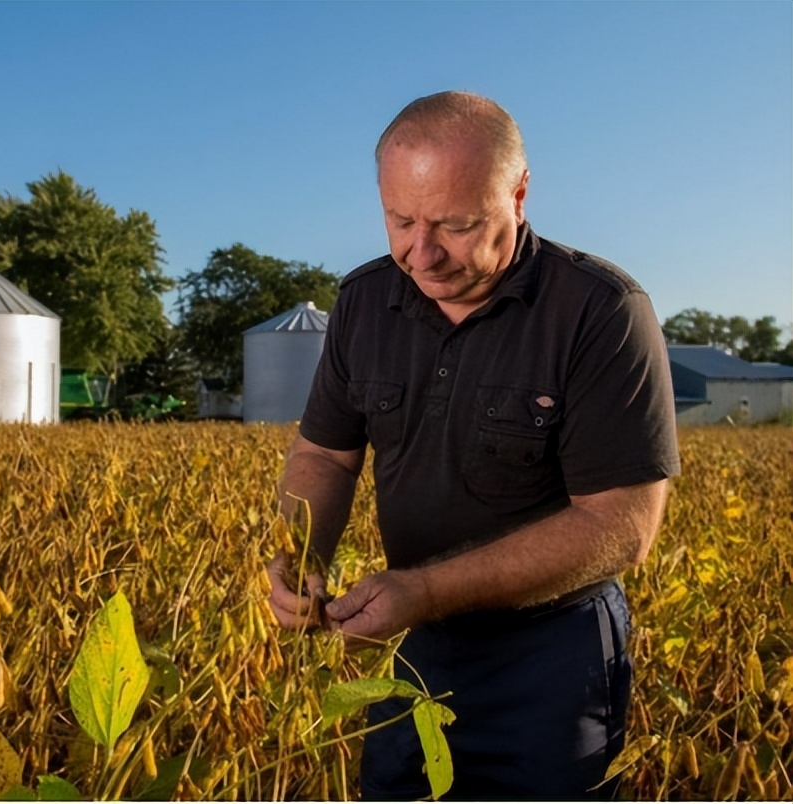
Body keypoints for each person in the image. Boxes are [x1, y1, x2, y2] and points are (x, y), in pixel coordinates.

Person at [266, 90, 680, 800]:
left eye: (455, 225)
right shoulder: (364, 301)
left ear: (518, 196)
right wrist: (300, 553)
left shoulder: (600, 311)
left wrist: (423, 590)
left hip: (554, 652)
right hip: (414, 641)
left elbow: (622, 527)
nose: (420, 253)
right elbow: (324, 456)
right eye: (400, 220)